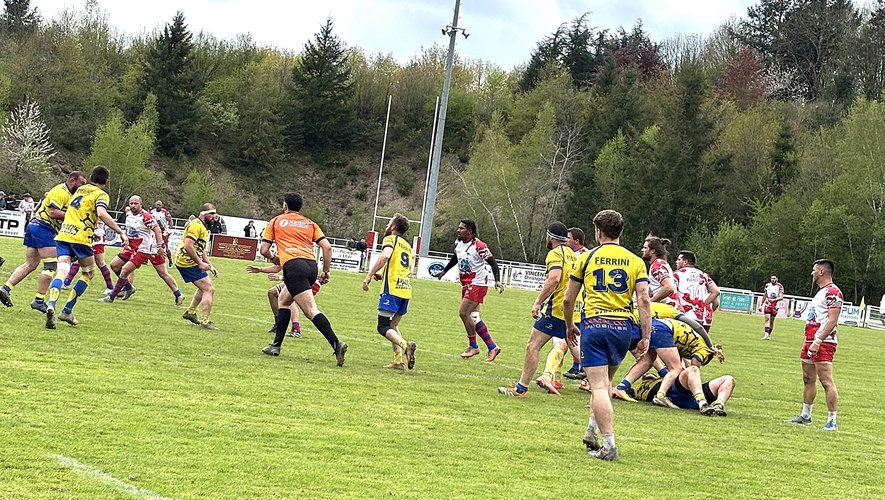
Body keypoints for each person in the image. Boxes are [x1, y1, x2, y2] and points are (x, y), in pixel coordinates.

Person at [562, 210, 651, 461]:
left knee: (598, 386)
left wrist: (569, 325)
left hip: (595, 325)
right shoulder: (635, 261)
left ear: (598, 231)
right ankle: (591, 431)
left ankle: (609, 446)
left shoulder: (587, 258)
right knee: (606, 382)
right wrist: (646, 335)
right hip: (623, 328)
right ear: (620, 231)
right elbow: (644, 299)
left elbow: (568, 299)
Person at [259, 192, 347, 366]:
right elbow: (327, 247)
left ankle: (337, 344)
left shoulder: (276, 221)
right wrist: (326, 271)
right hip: (311, 266)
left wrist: (274, 258)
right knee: (283, 300)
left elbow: (263, 250)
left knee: (310, 310)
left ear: (285, 206)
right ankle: (275, 346)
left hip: (293, 266)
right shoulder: (310, 223)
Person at [45, 166, 128, 328]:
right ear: (106, 181)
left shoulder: (80, 190)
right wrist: (120, 232)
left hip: (64, 235)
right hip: (80, 238)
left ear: (91, 177)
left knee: (62, 271)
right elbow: (101, 213)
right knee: (88, 273)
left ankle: (51, 304)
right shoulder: (101, 194)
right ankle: (67, 310)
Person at [498, 222, 576, 397]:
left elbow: (554, 278)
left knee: (533, 345)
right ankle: (602, 386)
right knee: (580, 351)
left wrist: (538, 302)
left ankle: (521, 389)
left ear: (551, 237)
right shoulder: (573, 255)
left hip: (556, 309)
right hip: (573, 309)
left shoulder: (555, 254)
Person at [0, 171, 87, 311]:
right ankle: (39, 300)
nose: (83, 186)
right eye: (81, 183)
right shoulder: (61, 191)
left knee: (30, 264)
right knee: (51, 266)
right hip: (44, 227)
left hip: (36, 226)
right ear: (72, 180)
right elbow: (53, 212)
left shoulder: (69, 194)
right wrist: (74, 217)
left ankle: (5, 288)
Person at [433, 219, 504, 362]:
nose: (458, 230)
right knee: (474, 317)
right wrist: (444, 271)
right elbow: (456, 257)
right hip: (466, 283)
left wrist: (497, 280)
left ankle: (473, 346)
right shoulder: (458, 243)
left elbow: (492, 262)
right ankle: (492, 347)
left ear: (470, 231)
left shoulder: (479, 246)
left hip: (478, 283)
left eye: (461, 228)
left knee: (463, 312)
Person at [787, 259, 842, 432]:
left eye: (814, 270)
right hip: (810, 339)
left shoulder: (833, 292)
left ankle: (832, 421)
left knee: (826, 381)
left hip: (823, 342)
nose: (812, 273)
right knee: (808, 378)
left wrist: (818, 341)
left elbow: (832, 320)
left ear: (821, 272)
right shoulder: (821, 292)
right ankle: (806, 415)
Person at [99, 196, 183, 305]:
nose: (133, 205)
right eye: (131, 203)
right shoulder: (128, 214)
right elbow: (130, 231)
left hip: (145, 249)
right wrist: (125, 240)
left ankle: (111, 297)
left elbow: (157, 230)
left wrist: (160, 247)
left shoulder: (146, 216)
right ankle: (128, 287)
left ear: (141, 204)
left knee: (161, 273)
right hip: (132, 248)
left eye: (136, 203)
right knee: (115, 265)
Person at [362, 214, 417, 370]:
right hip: (405, 290)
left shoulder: (390, 239)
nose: (387, 226)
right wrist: (382, 274)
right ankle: (398, 361)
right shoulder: (408, 246)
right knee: (392, 325)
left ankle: (405, 346)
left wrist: (369, 275)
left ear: (393, 227)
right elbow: (400, 266)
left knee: (382, 326)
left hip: (392, 290)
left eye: (388, 223)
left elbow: (385, 256)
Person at [174, 204, 220, 330]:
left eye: (214, 214)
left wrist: (209, 265)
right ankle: (205, 321)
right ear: (203, 213)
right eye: (211, 214)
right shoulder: (196, 225)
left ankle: (190, 312)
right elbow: (188, 246)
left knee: (205, 286)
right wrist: (200, 263)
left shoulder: (202, 226)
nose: (213, 216)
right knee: (209, 289)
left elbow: (200, 248)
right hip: (187, 261)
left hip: (190, 260)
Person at [246, 262, 320, 338]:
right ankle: (278, 324)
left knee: (289, 300)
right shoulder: (286, 256)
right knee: (272, 293)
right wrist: (260, 269)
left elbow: (300, 275)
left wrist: (280, 278)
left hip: (307, 282)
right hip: (294, 280)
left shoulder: (295, 257)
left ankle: (296, 329)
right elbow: (277, 267)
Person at [631, 366, 735, 416]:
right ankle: (703, 404)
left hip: (693, 393)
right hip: (678, 395)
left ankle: (718, 405)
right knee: (692, 369)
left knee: (729, 379)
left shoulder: (661, 380)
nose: (647, 374)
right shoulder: (641, 387)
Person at [560, 227, 588, 381]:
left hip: (580, 301)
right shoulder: (578, 254)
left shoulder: (582, 256)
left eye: (568, 238)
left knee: (571, 335)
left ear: (576, 241)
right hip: (578, 300)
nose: (565, 240)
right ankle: (577, 367)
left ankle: (585, 368)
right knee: (572, 336)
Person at [61, 221, 116, 294]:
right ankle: (66, 283)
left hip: (96, 239)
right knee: (78, 261)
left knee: (100, 263)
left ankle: (110, 287)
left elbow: (97, 221)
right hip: (88, 237)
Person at [673, 251, 720, 333]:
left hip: (686, 316)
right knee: (700, 341)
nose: (676, 262)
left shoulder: (677, 274)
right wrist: (702, 305)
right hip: (703, 318)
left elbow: (670, 290)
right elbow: (716, 292)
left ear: (685, 262)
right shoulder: (703, 275)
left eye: (679, 259)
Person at [641, 235, 676, 305]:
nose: (642, 250)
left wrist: (650, 301)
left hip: (664, 308)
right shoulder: (661, 263)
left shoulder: (657, 266)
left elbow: (668, 287)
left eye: (645, 248)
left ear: (652, 251)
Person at [761, 275, 785, 340]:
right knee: (767, 319)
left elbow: (781, 297)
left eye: (774, 278)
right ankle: (766, 334)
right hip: (768, 304)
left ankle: (768, 335)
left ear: (777, 279)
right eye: (771, 278)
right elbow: (765, 295)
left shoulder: (780, 286)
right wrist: (761, 304)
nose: (772, 279)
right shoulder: (767, 285)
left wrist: (774, 300)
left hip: (775, 306)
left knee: (772, 321)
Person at [151, 200, 173, 265]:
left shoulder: (165, 212)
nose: (158, 206)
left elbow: (170, 220)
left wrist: (169, 229)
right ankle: (147, 259)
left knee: (166, 247)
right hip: (155, 231)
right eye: (157, 204)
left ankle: (170, 260)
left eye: (159, 205)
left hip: (164, 231)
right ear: (155, 205)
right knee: (150, 244)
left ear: (162, 206)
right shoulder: (152, 212)